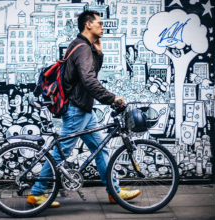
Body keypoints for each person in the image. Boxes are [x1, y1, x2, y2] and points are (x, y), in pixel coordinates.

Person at [27, 10, 141, 207]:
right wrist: (112, 98)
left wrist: (98, 52)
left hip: (83, 109)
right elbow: (89, 80)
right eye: (99, 23)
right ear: (88, 25)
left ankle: (114, 191)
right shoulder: (82, 48)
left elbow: (90, 73)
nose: (102, 26)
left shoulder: (82, 46)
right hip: (76, 109)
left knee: (100, 148)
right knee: (61, 153)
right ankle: (36, 193)